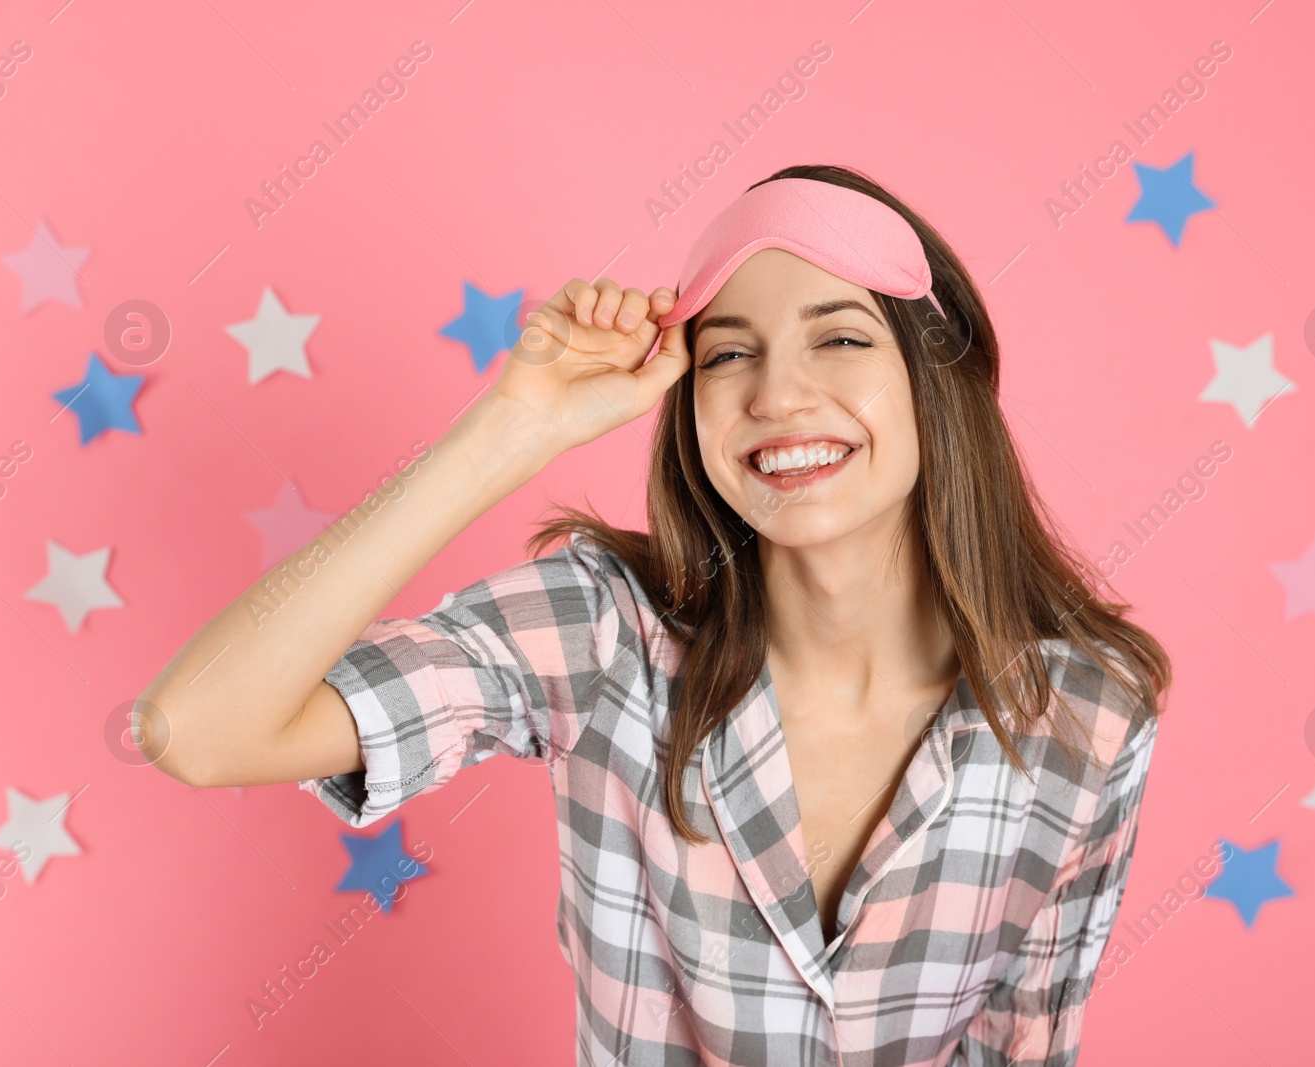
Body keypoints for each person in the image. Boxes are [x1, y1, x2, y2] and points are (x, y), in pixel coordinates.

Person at [139, 163, 1171, 1066]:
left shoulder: (1087, 712)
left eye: (842, 337)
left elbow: (1022, 1043)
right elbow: (198, 729)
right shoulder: (601, 633)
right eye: (727, 353)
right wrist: (512, 427)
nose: (778, 392)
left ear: (936, 379)